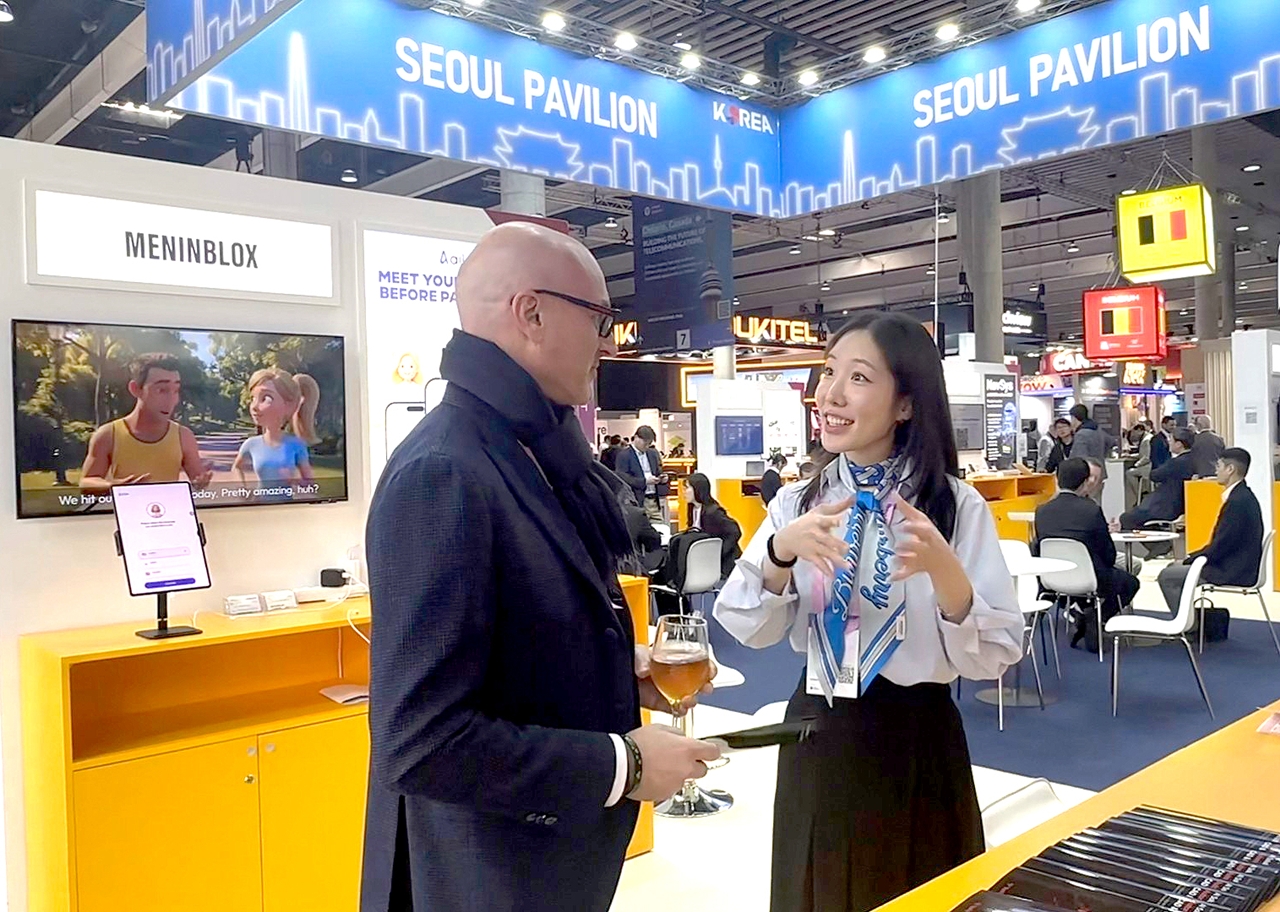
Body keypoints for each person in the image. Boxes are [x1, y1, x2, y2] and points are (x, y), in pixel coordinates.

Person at [360, 222, 719, 912]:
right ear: (531, 313)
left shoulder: (528, 449)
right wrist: (625, 765)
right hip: (487, 876)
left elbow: (512, 648)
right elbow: (421, 739)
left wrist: (618, 671)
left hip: (544, 868)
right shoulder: (444, 471)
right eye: (599, 320)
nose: (608, 343)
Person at [714, 311, 1022, 912]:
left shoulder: (954, 507)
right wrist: (779, 553)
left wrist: (945, 571)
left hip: (917, 738)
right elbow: (748, 627)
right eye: (829, 372)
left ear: (905, 404)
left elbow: (994, 657)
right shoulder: (798, 502)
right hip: (819, 731)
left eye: (858, 378)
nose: (829, 394)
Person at [1033, 458, 1140, 648]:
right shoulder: (1091, 510)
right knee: (1130, 583)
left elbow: (1038, 547)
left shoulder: (1042, 511)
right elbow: (1108, 554)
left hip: (1051, 579)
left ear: (1057, 479)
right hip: (1090, 578)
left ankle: (1083, 614)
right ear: (1084, 482)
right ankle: (1094, 618)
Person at [80, 352, 213, 495]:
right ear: (135, 389)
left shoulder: (184, 436)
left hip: (168, 509)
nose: (172, 399)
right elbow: (86, 482)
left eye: (176, 390)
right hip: (126, 509)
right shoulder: (108, 435)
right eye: (162, 390)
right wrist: (113, 486)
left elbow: (197, 480)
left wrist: (202, 480)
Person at [1157, 448, 1263, 614]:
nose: (1215, 471)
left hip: (1232, 569)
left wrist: (1189, 560)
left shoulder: (1237, 503)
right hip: (1237, 564)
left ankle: (1187, 624)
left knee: (1167, 576)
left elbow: (1220, 546)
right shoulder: (1243, 497)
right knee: (1174, 568)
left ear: (1230, 469)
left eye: (1219, 466)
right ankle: (1192, 620)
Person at [232, 368, 319, 499]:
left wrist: (294, 481)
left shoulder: (296, 445)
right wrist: (242, 488)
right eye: (253, 398)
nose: (254, 406)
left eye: (266, 398)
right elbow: (236, 467)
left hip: (287, 508)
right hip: (259, 506)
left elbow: (311, 485)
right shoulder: (251, 444)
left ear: (289, 405)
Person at [1117, 427, 1197, 557]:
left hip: (1167, 504)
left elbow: (1154, 475)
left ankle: (1159, 544)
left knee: (1127, 519)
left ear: (1179, 444)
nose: (1169, 442)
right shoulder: (1195, 460)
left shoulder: (1176, 463)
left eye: (1171, 440)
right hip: (1180, 503)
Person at [685, 472, 743, 581]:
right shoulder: (692, 509)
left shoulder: (713, 512)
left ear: (697, 489)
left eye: (687, 488)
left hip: (724, 563)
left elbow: (735, 531)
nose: (684, 492)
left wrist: (719, 552)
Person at [617, 425, 669, 521]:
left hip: (653, 501)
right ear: (636, 437)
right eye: (645, 443)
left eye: (649, 443)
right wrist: (644, 482)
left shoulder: (653, 454)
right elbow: (623, 478)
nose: (647, 446)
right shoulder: (624, 455)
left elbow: (658, 471)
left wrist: (662, 478)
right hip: (636, 501)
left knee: (660, 526)